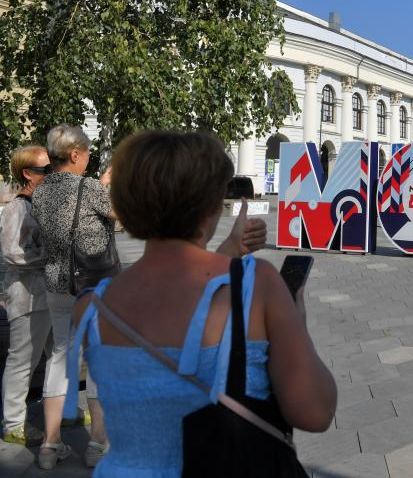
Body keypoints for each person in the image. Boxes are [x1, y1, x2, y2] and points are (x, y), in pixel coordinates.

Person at [64, 130, 336, 475]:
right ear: (210, 205)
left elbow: (169, 299)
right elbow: (315, 411)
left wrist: (229, 249)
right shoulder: (257, 284)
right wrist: (298, 326)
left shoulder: (91, 307)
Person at [30, 125, 111, 469]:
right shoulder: (91, 187)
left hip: (57, 284)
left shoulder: (41, 191)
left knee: (60, 354)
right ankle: (96, 444)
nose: (89, 159)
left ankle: (49, 445)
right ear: (75, 154)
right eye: (88, 153)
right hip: (91, 285)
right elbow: (119, 216)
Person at [1, 146, 50, 447]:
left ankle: (62, 410)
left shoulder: (41, 204)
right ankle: (13, 423)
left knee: (60, 354)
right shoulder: (17, 209)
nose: (53, 173)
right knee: (23, 361)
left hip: (49, 294)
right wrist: (54, 254)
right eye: (46, 169)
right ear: (28, 174)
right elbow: (12, 254)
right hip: (26, 297)